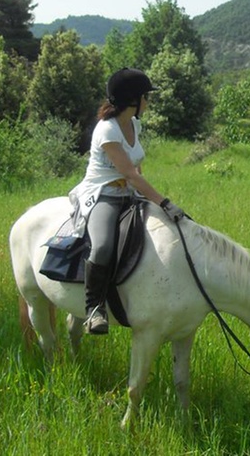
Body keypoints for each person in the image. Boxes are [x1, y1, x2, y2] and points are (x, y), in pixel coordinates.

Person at [68, 68, 186, 335]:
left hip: (130, 195)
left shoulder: (134, 123)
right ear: (133, 99)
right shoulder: (107, 130)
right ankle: (94, 309)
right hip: (104, 195)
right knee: (102, 247)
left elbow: (137, 167)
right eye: (146, 96)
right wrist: (165, 202)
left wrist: (150, 200)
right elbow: (129, 174)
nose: (148, 101)